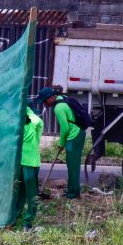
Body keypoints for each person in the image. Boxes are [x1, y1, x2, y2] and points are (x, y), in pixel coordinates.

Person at [38, 86, 86, 199]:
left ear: (51, 97)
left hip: (73, 137)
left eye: (45, 101)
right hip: (77, 134)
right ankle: (71, 190)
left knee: (72, 165)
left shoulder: (58, 108)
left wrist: (61, 143)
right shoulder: (62, 98)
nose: (45, 104)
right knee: (72, 165)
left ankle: (73, 193)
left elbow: (65, 129)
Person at [20, 100, 44, 231]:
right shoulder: (29, 123)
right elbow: (38, 121)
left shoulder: (30, 123)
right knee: (27, 193)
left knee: (27, 193)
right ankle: (25, 221)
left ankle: (26, 220)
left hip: (26, 163)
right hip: (26, 163)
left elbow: (37, 121)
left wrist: (27, 112)